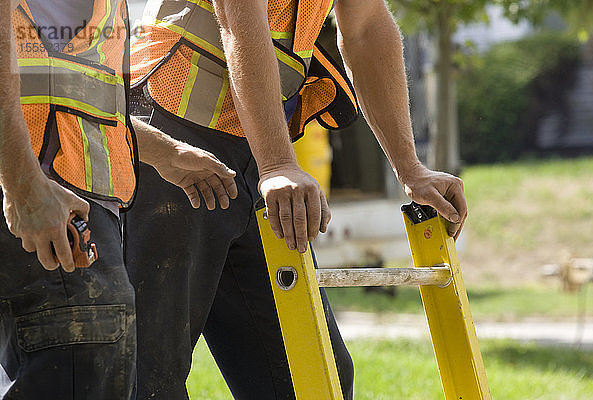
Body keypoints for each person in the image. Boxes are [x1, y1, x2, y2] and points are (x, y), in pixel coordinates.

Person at [126, 0, 468, 398]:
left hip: (252, 152)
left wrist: (411, 169)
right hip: (171, 137)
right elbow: (241, 21)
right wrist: (277, 165)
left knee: (311, 375)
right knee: (149, 377)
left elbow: (367, 27)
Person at [0, 1, 237, 399]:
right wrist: (23, 183)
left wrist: (164, 152)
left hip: (52, 202)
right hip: (49, 207)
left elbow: (70, 90)